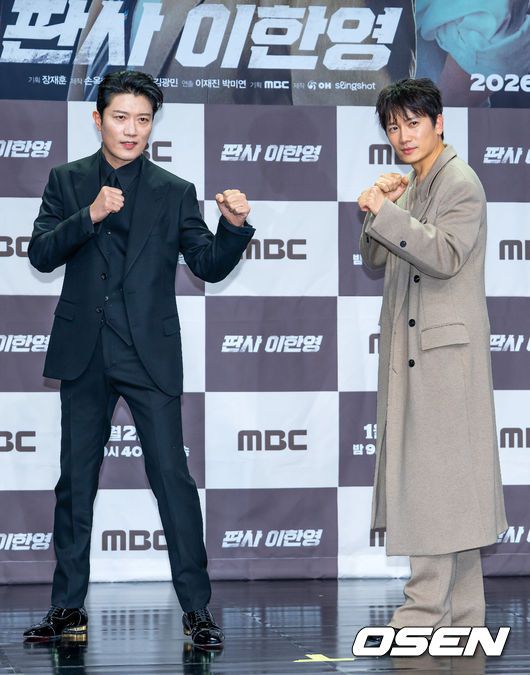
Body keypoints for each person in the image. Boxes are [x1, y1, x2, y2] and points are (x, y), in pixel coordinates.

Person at [23, 70, 254, 648]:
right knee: (75, 484)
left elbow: (207, 264)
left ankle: (197, 611)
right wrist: (90, 214)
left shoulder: (174, 190)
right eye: (121, 117)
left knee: (172, 480)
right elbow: (41, 253)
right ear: (97, 119)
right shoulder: (67, 180)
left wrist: (232, 228)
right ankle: (67, 609)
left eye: (143, 119)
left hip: (148, 354)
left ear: (153, 125)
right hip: (84, 353)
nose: (131, 130)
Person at [357, 78, 507, 636]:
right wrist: (385, 206)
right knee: (452, 490)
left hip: (444, 360)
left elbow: (443, 255)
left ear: (438, 122)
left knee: (432, 489)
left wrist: (388, 212)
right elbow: (376, 258)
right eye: (393, 127)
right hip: (417, 355)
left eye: (413, 123)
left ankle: (420, 616)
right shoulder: (417, 182)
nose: (403, 135)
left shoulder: (460, 182)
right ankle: (462, 618)